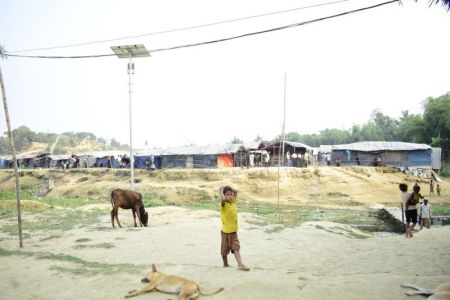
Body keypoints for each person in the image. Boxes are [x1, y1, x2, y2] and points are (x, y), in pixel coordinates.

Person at [219, 186, 249, 271]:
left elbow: (236, 191)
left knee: (236, 247)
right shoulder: (223, 205)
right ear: (224, 196)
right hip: (225, 232)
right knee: (224, 249)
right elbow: (222, 200)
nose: (230, 196)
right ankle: (225, 264)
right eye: (227, 195)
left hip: (233, 232)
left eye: (231, 195)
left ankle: (240, 264)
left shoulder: (233, 202)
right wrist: (221, 191)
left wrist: (230, 188)